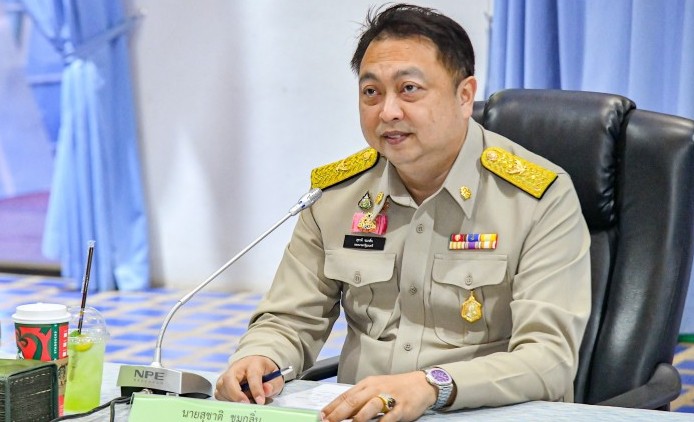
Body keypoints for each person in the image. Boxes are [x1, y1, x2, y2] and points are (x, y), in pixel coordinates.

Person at [215, 4, 591, 421]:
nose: (388, 111)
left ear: (465, 95)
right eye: (371, 92)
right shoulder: (336, 195)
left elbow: (548, 359)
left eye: (409, 89)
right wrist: (260, 357)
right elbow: (290, 319)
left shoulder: (537, 198)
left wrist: (433, 386)